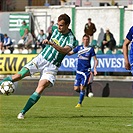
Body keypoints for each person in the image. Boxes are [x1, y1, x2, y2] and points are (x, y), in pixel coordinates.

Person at [0, 14, 77, 119]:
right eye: (58, 25)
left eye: (61, 25)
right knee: (18, 76)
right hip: (41, 58)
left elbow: (65, 50)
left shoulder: (71, 39)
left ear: (68, 25)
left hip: (52, 66)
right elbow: (50, 31)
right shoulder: (55, 28)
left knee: (41, 86)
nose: (58, 27)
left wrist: (51, 43)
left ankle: (22, 113)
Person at [68, 34, 98, 107]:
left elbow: (95, 60)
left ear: (89, 40)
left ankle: (79, 103)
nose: (85, 41)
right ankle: (83, 92)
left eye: (87, 39)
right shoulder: (79, 48)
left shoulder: (90, 49)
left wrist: (94, 68)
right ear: (82, 40)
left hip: (86, 72)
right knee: (76, 88)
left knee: (82, 87)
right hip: (78, 71)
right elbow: (69, 53)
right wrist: (61, 50)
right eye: (84, 39)